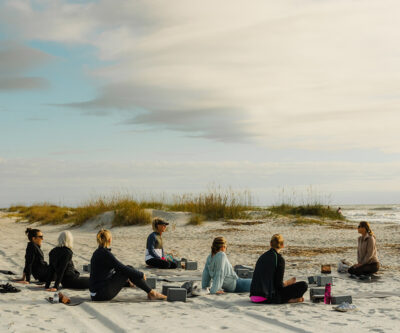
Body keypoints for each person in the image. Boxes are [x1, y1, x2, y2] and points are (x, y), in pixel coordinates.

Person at [90, 229, 166, 301]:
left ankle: (149, 292)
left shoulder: (97, 252)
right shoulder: (105, 253)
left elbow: (111, 271)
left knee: (129, 269)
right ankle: (152, 293)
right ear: (109, 240)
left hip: (95, 294)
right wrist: (141, 274)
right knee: (128, 269)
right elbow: (121, 268)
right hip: (101, 294)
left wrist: (126, 281)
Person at [250, 234, 308, 304]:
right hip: (267, 297)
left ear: (270, 244)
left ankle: (288, 299)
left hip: (253, 297)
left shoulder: (262, 257)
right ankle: (289, 300)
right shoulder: (279, 259)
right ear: (282, 245)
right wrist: (287, 283)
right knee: (304, 285)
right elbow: (278, 286)